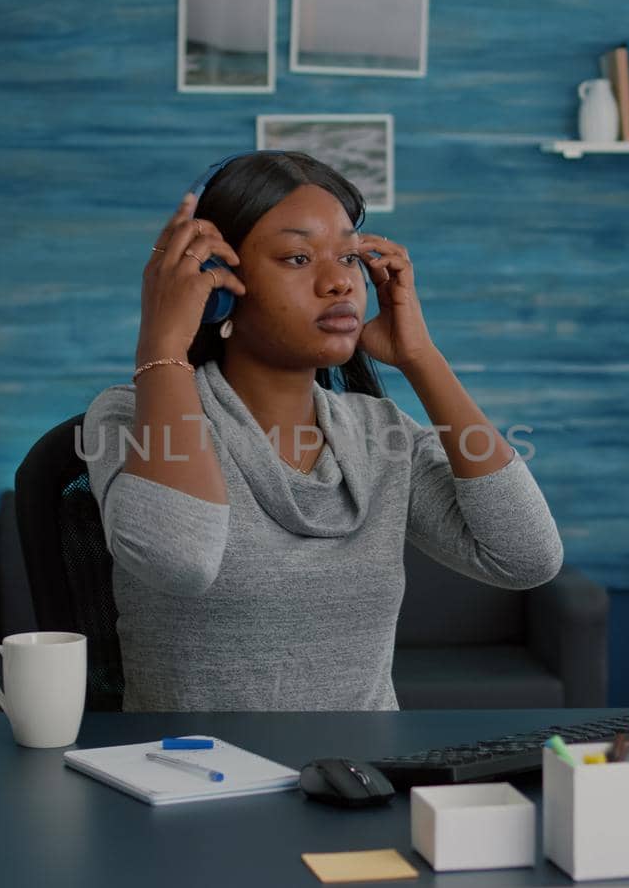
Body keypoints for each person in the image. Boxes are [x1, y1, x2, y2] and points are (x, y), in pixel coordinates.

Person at [82, 151, 563, 711]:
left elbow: (527, 557)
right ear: (217, 287)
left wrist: (421, 358)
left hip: (358, 781)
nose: (338, 282)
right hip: (194, 781)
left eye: (349, 257)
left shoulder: (380, 434)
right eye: (297, 257)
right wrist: (162, 346)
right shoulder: (127, 418)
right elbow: (180, 559)